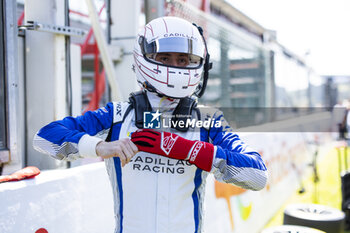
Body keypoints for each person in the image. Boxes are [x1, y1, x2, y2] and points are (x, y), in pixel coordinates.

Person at [33, 16, 267, 233]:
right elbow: (44, 137)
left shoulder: (209, 121)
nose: (175, 66)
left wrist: (190, 150)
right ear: (143, 57)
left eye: (183, 59)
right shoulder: (117, 115)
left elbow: (257, 176)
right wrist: (100, 147)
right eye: (165, 57)